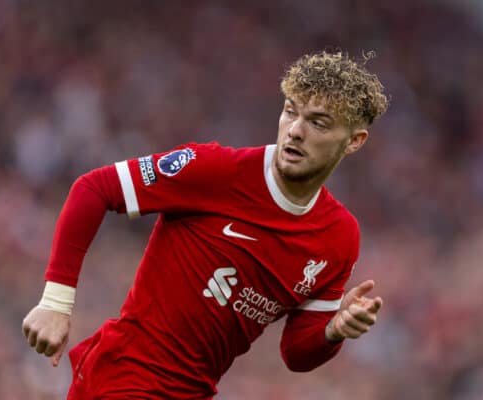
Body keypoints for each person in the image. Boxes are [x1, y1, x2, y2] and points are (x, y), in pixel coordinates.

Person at [22, 50, 389, 399]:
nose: (295, 130)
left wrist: (333, 332)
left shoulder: (339, 238)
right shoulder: (216, 170)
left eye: (317, 123)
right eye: (290, 112)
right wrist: (55, 302)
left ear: (354, 141)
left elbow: (296, 352)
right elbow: (94, 188)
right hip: (123, 378)